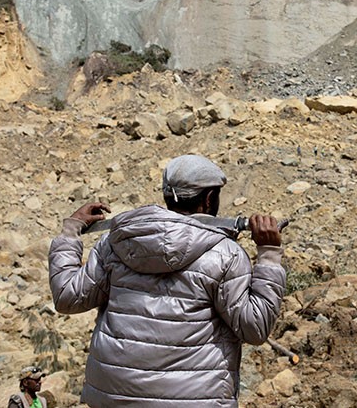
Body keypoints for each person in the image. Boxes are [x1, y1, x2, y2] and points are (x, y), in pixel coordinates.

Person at [49, 154, 286, 407]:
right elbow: (255, 328)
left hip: (114, 398)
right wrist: (269, 254)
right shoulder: (225, 255)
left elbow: (67, 297)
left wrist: (71, 230)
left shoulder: (116, 244)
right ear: (208, 200)